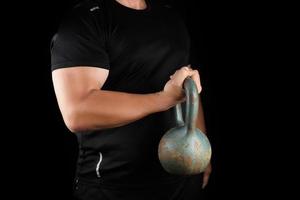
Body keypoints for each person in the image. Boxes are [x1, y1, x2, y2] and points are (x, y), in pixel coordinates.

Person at [51, 0, 211, 199]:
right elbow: (78, 111)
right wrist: (163, 99)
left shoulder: (170, 16)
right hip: (114, 187)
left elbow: (187, 88)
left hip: (181, 183)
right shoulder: (86, 20)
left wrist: (201, 149)